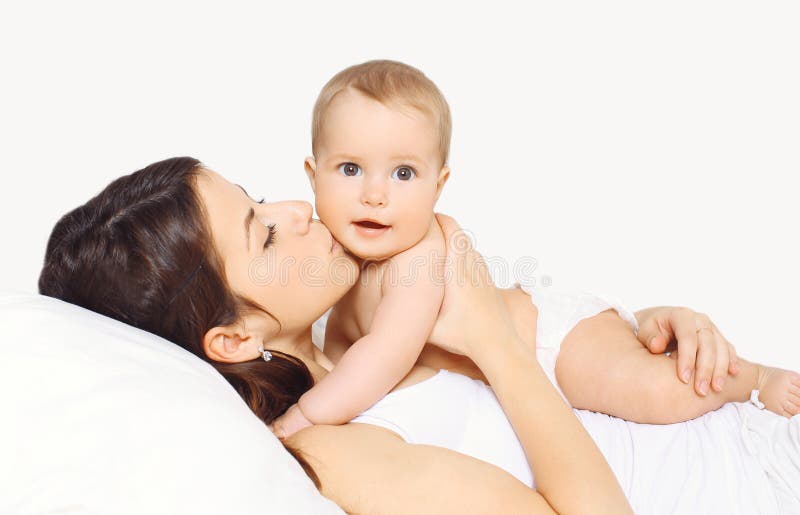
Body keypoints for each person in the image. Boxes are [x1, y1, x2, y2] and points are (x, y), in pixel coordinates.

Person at [39, 157, 799, 513]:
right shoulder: (335, 455)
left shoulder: (361, 328)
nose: (297, 213)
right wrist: (496, 345)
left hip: (759, 428)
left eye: (262, 198)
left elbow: (565, 363)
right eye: (263, 235)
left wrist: (653, 331)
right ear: (232, 339)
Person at [274, 59, 799, 438]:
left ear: (438, 185)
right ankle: (649, 328)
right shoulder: (336, 253)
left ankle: (751, 378)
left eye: (404, 173)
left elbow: (382, 356)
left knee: (655, 393)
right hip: (531, 339)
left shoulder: (418, 258)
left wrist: (306, 415)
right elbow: (342, 337)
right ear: (313, 176)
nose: (374, 194)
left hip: (554, 344)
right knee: (639, 365)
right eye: (350, 168)